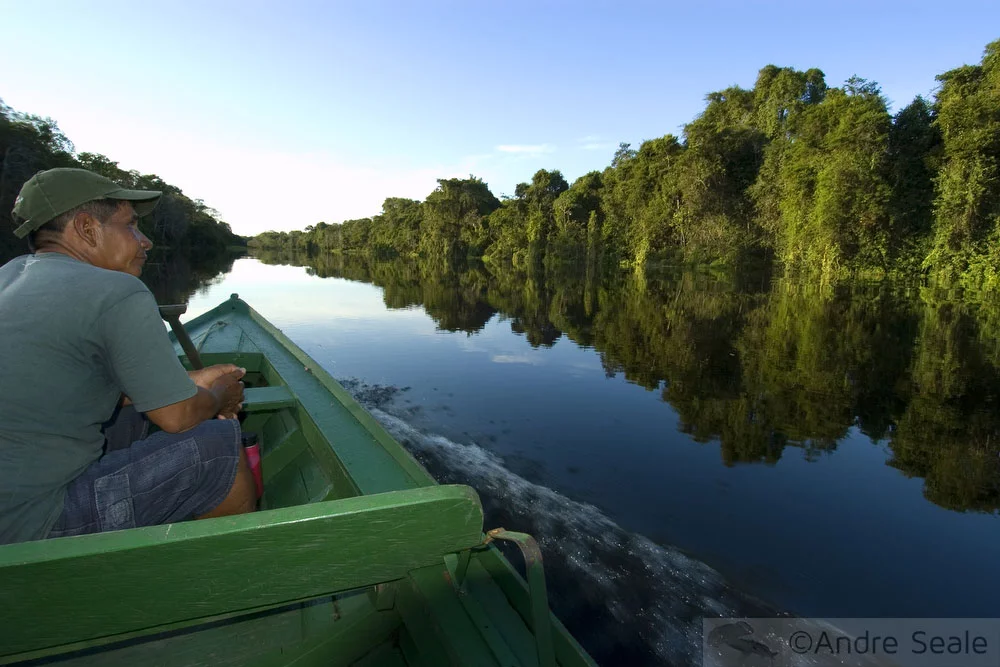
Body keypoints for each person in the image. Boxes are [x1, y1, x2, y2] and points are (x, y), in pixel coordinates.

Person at [0, 167, 256, 546]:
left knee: (129, 418)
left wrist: (188, 384)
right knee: (217, 444)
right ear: (87, 229)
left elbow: (67, 386)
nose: (145, 241)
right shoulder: (118, 291)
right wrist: (220, 395)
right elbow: (176, 417)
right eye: (131, 226)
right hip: (30, 523)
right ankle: (234, 581)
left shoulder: (10, 276)